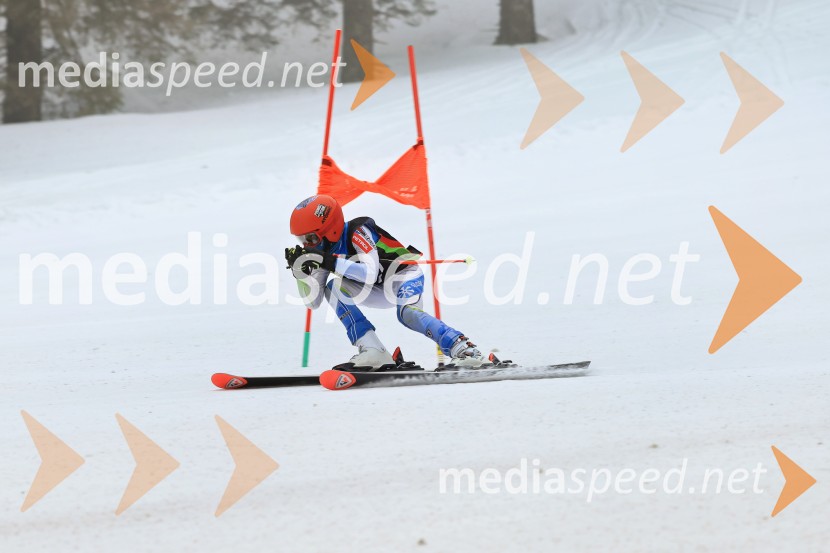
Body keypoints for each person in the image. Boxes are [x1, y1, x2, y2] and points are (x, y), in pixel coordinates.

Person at [285, 194, 486, 371]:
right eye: (301, 239)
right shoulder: (322, 252)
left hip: (403, 276)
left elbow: (370, 273)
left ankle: (464, 349)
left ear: (330, 229)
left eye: (310, 238)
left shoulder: (358, 231)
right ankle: (373, 350)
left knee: (407, 314)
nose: (306, 245)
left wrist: (330, 261)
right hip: (375, 291)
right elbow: (313, 302)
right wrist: (300, 273)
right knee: (333, 288)